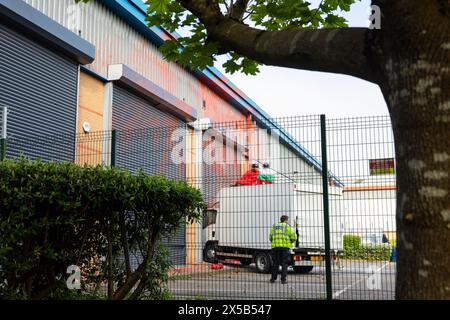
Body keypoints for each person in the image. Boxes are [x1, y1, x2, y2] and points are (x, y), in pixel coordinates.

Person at [269, 215, 297, 284]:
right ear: (286, 220)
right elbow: (294, 237)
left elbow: (270, 237)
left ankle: (273, 279)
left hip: (275, 247)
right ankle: (283, 280)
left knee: (275, 263)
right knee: (284, 263)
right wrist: (291, 241)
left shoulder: (275, 226)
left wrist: (275, 242)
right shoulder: (287, 226)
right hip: (285, 248)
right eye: (288, 220)